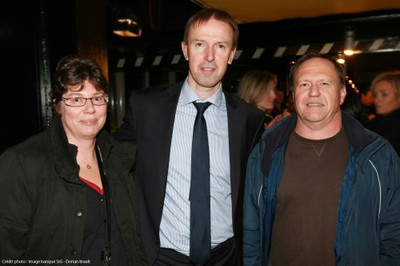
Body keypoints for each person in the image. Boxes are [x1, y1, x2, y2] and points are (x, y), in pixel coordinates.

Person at [114, 8, 264, 266]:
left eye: (220, 46)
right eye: (199, 44)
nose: (208, 56)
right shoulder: (146, 108)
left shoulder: (249, 119)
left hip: (225, 257)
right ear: (185, 50)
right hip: (161, 257)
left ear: (231, 54)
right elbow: (109, 161)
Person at [243, 52, 400, 265]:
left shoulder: (376, 155)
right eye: (304, 84)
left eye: (324, 83)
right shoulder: (266, 152)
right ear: (293, 94)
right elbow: (251, 232)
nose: (313, 93)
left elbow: (394, 232)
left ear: (342, 93)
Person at [0, 55, 147, 265]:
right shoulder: (22, 163)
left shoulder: (120, 159)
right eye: (77, 99)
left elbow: (132, 241)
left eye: (97, 98)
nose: (90, 109)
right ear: (57, 105)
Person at [368, 71, 400, 156]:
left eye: (384, 94)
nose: (377, 100)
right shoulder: (377, 123)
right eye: (375, 95)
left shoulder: (394, 127)